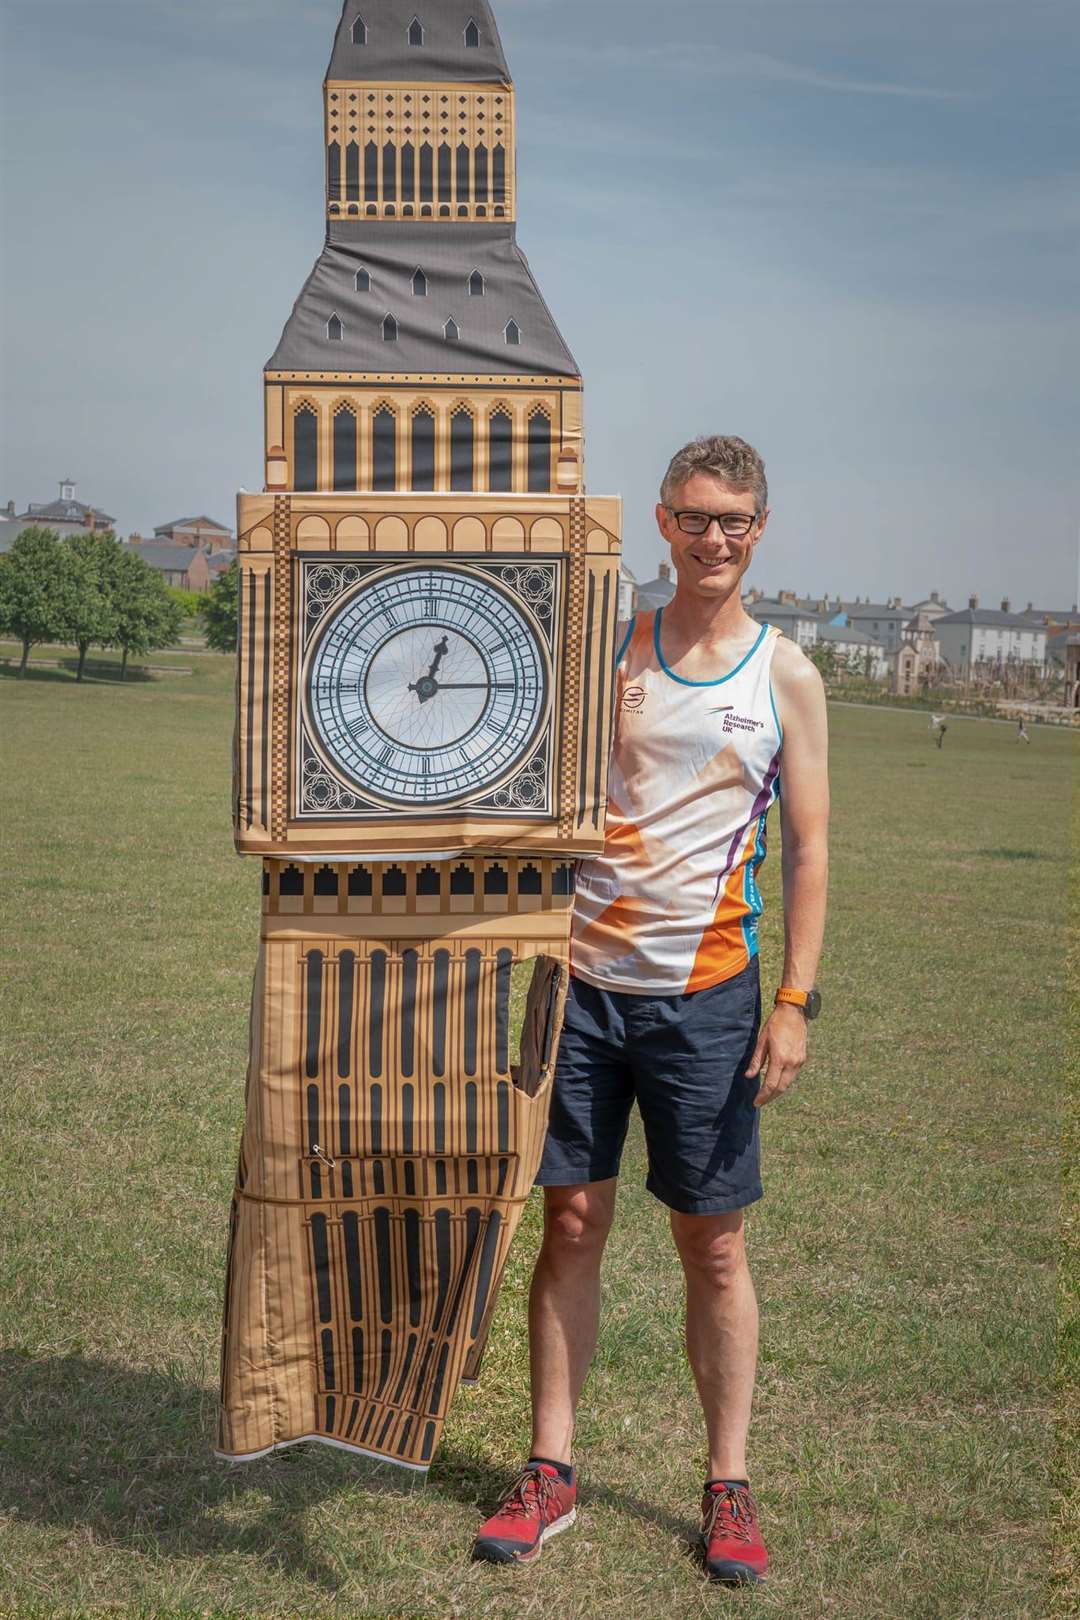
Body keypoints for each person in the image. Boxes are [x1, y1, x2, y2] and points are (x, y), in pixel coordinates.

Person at [473, 436, 830, 1585]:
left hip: (709, 998)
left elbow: (813, 848)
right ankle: (551, 1470)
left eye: (734, 520)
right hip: (582, 987)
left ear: (759, 529)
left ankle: (728, 1488)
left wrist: (795, 1001)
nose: (713, 538)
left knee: (712, 1247)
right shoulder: (610, 648)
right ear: (665, 526)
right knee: (571, 1224)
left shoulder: (786, 676)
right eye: (694, 517)